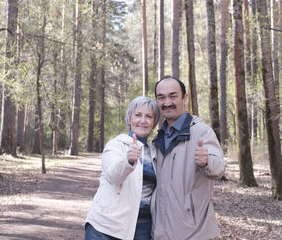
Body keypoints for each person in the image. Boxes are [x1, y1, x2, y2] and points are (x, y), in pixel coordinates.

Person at [152, 76, 225, 240]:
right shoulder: (158, 138)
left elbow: (219, 167)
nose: (167, 102)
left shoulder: (201, 132)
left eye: (173, 96)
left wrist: (207, 161)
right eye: (161, 97)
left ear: (185, 98)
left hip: (194, 232)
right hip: (161, 231)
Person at [85, 96, 160, 240]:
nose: (143, 120)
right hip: (107, 225)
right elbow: (113, 176)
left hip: (142, 227)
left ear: (154, 123)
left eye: (148, 116)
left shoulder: (155, 152)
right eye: (138, 115)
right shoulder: (116, 145)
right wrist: (128, 160)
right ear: (130, 119)